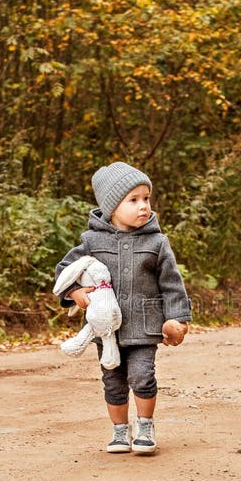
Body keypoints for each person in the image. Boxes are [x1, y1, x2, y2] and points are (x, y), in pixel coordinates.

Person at [55, 161, 191, 455]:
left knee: (142, 376)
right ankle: (119, 431)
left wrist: (178, 319)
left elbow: (171, 284)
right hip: (107, 331)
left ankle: (144, 425)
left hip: (145, 325)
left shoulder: (157, 242)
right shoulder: (91, 241)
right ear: (112, 207)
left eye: (146, 198)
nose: (143, 206)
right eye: (134, 200)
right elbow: (65, 269)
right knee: (113, 380)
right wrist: (74, 292)